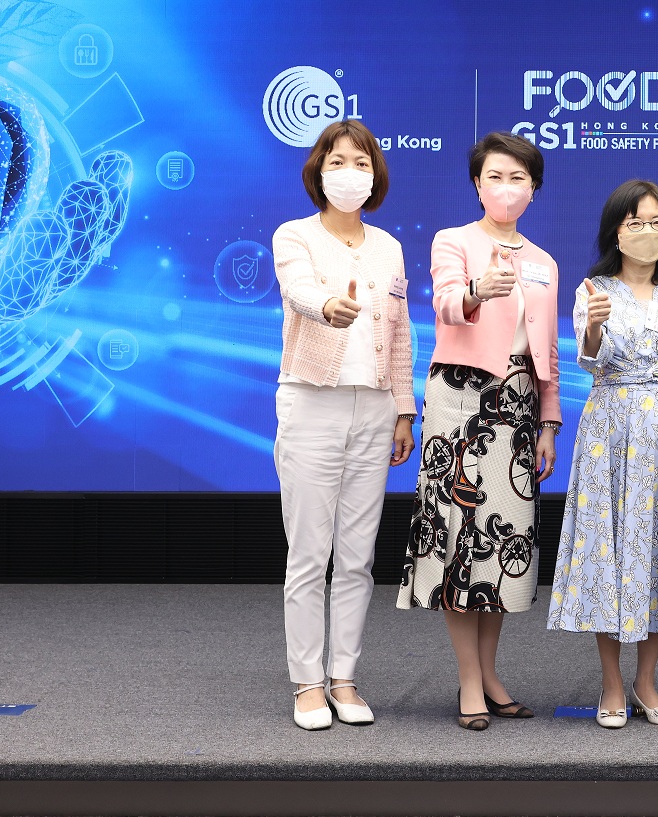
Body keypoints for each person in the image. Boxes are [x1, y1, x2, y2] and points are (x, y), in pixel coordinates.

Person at [398, 132, 562, 732]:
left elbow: (545, 351)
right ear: (477, 183)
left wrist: (548, 422)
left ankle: (491, 674)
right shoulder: (454, 241)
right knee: (460, 545)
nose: (505, 188)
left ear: (533, 191)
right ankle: (469, 681)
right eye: (495, 176)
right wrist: (475, 292)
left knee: (500, 547)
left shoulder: (543, 263)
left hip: (517, 408)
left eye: (518, 179)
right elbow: (443, 305)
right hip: (458, 403)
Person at [547, 180, 658, 729]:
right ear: (615, 232)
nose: (647, 232)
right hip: (609, 435)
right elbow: (591, 362)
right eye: (635, 222)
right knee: (609, 553)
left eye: (656, 222)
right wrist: (595, 326)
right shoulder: (593, 289)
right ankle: (612, 685)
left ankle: (647, 682)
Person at [269, 119, 415, 731]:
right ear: (318, 170)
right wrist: (330, 306)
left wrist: (404, 408)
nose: (348, 172)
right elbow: (299, 291)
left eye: (360, 161)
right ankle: (307, 683)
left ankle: (344, 677)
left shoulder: (387, 246)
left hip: (375, 407)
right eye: (336, 160)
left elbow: (402, 331)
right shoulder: (293, 235)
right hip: (311, 403)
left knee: (357, 557)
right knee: (310, 553)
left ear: (374, 173)